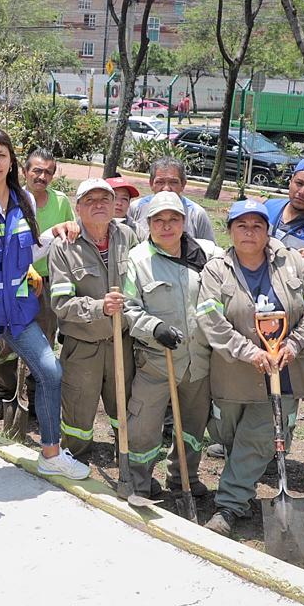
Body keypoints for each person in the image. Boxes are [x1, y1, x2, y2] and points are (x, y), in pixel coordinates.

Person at [0, 126, 89, 482]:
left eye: (1, 155)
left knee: (50, 372)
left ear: (11, 161)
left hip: (16, 308)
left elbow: (26, 252)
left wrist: (53, 236)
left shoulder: (22, 201)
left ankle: (51, 453)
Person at [196, 199, 304, 536]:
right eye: (242, 225)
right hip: (234, 373)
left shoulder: (293, 264)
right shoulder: (216, 270)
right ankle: (244, 476)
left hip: (282, 371)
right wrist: (247, 351)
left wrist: (295, 343)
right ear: (230, 231)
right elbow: (209, 317)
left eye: (257, 225)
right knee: (228, 436)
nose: (250, 232)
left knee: (256, 438)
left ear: (269, 230)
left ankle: (229, 505)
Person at [122, 191, 221, 499]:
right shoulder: (137, 260)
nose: (166, 227)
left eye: (174, 219)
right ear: (149, 224)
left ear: (184, 222)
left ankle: (183, 479)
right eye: (159, 221)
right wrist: (155, 327)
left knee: (192, 429)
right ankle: (138, 483)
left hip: (197, 362)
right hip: (156, 361)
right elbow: (128, 307)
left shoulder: (206, 254)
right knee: (144, 428)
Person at [47, 178, 137, 460]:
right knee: (78, 415)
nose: (98, 205)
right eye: (90, 201)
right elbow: (60, 304)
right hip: (83, 345)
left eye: (104, 200)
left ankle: (126, 458)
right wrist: (100, 307)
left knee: (123, 406)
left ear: (115, 206)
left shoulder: (129, 237)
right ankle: (72, 460)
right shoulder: (64, 246)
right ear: (78, 208)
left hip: (122, 344)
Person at [0, 149, 74, 425]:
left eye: (48, 172)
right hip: (15, 283)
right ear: (25, 171)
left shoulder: (60, 202)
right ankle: (4, 397)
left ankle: (38, 398)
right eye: (37, 170)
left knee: (44, 344)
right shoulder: (12, 199)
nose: (42, 176)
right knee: (8, 343)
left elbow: (69, 236)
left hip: (47, 282)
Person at [127, 157, 214, 243]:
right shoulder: (136, 208)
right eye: (160, 182)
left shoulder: (197, 214)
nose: (166, 188)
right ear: (151, 184)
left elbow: (210, 250)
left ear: (183, 184)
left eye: (173, 182)